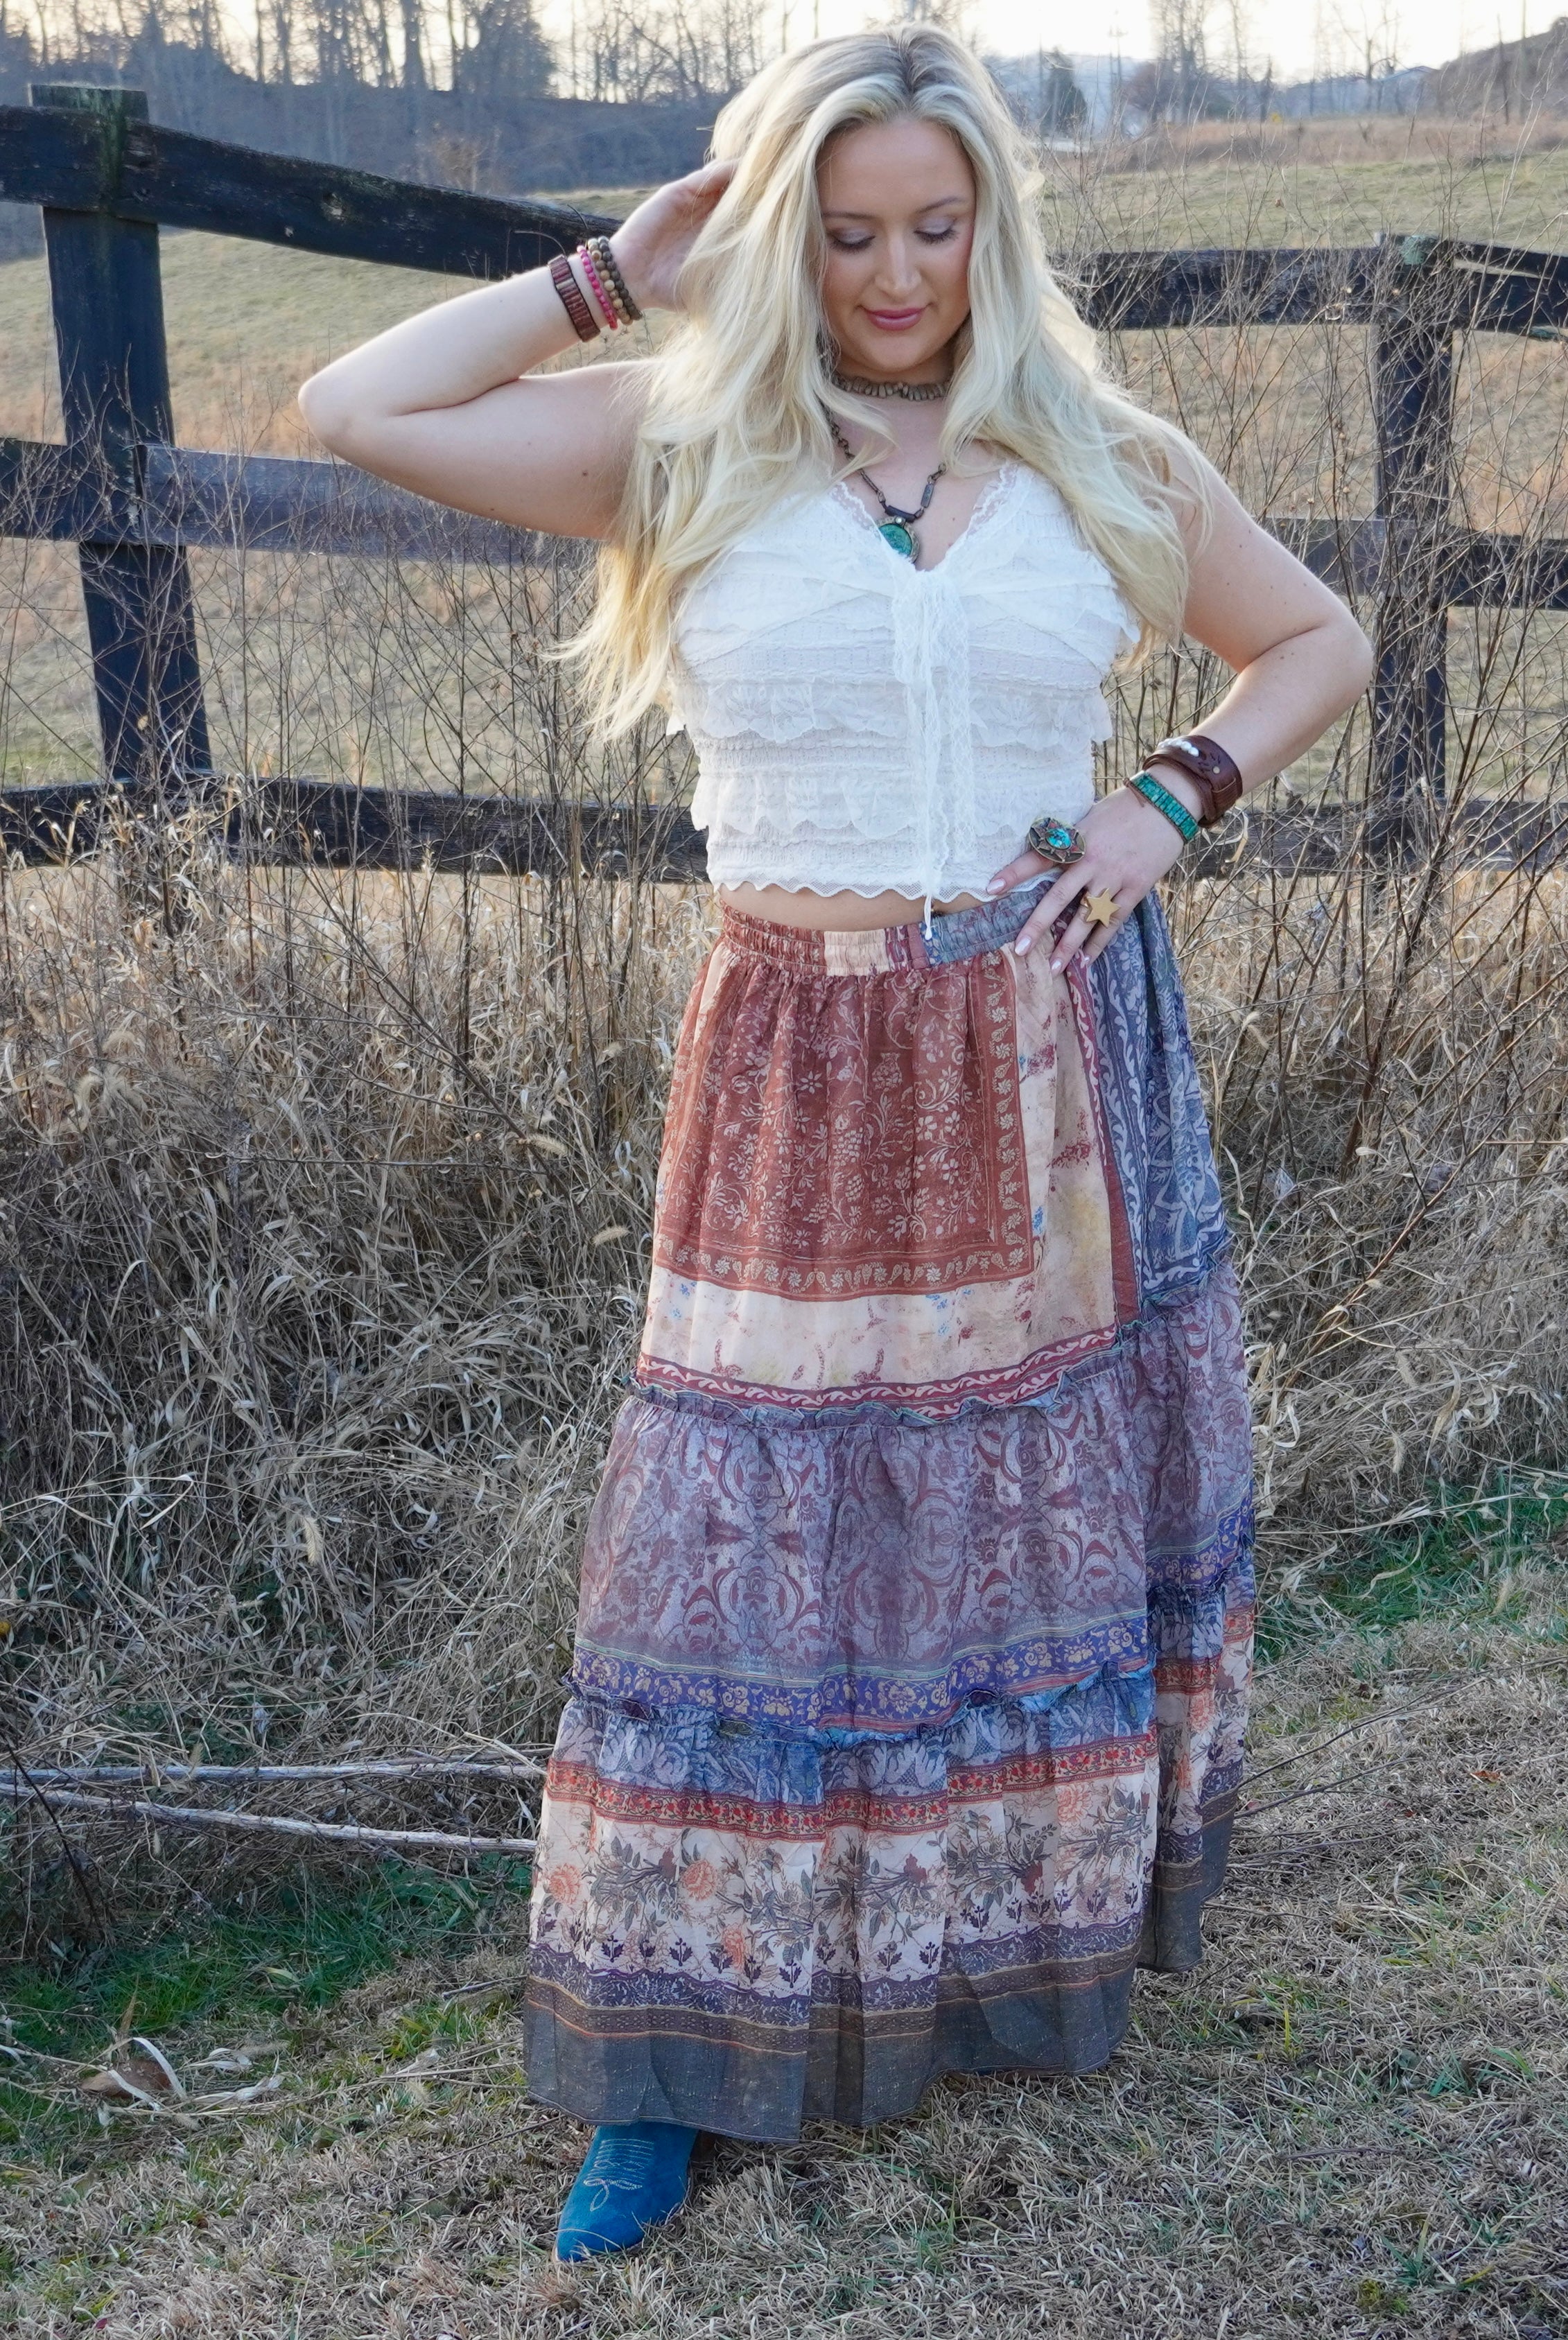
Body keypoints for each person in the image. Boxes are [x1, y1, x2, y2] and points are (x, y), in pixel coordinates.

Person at [299, 22, 1371, 2264]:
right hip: (797, 1053)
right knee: (742, 1543)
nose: (896, 272)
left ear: (996, 225)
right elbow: (359, 408)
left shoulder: (1098, 456)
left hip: (1052, 1046)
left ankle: (985, 1959)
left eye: (934, 223)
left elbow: (1313, 637)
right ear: (788, 230)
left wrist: (1166, 799)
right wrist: (616, 269)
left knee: (1012, 1523)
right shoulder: (688, 446)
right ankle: (675, 2061)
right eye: (849, 225)